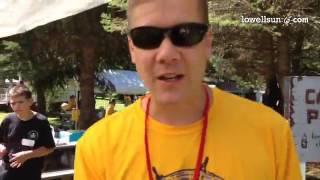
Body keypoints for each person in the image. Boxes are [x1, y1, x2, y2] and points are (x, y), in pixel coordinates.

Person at [74, 0, 302, 179]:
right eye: (147, 37)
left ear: (207, 43)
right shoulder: (97, 148)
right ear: (132, 49)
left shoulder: (271, 133)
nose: (167, 54)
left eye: (185, 34)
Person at [0, 85, 55, 180]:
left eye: (21, 102)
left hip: (30, 172)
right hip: (7, 172)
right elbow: (2, 141)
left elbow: (49, 148)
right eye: (13, 103)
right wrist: (2, 148)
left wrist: (27, 155)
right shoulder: (8, 120)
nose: (17, 106)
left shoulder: (41, 121)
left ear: (30, 101)